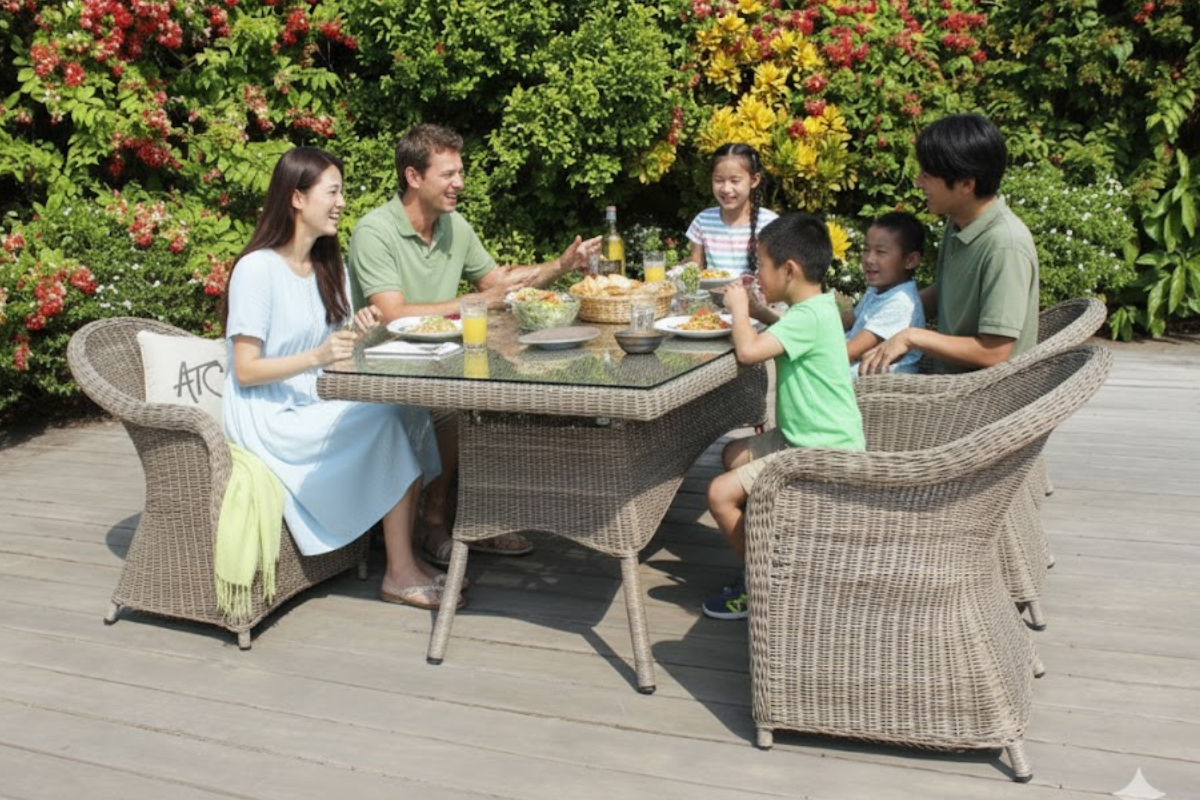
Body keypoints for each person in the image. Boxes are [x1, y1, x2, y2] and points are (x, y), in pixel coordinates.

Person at [347, 123, 601, 566]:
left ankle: (475, 516)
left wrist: (560, 265)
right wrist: (470, 302)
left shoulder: (453, 226)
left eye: (460, 172)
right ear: (413, 177)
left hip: (445, 360)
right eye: (448, 174)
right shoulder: (376, 231)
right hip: (385, 370)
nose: (459, 183)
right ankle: (437, 520)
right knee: (460, 414)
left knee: (506, 402)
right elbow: (390, 313)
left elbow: (498, 285)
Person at [221, 146, 456, 611]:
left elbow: (334, 349)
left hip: (314, 397)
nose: (342, 202)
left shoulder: (326, 266)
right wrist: (317, 355)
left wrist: (357, 332)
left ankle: (404, 551)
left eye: (341, 192)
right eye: (332, 191)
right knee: (386, 422)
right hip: (269, 415)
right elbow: (246, 371)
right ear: (296, 198)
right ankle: (398, 572)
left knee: (405, 410)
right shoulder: (257, 269)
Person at [702, 213, 865, 621]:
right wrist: (759, 308)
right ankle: (774, 538)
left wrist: (740, 309)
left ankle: (762, 582)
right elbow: (788, 330)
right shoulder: (817, 307)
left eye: (761, 266)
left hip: (817, 451)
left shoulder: (806, 317)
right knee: (734, 454)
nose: (757, 274)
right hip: (806, 436)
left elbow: (749, 352)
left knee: (719, 494)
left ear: (789, 270)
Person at [858, 113, 1039, 375]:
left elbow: (995, 352)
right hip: (947, 380)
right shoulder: (959, 224)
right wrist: (878, 315)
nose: (918, 182)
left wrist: (911, 337)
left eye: (927, 175)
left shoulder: (1005, 245)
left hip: (979, 394)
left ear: (966, 184)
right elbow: (945, 292)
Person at [842, 211, 926, 377]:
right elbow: (848, 320)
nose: (869, 259)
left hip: (874, 391)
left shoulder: (900, 303)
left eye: (880, 252)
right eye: (866, 250)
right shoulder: (879, 289)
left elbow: (849, 352)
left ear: (910, 260)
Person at [686, 143, 779, 276]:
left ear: (754, 180)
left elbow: (777, 277)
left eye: (735, 181)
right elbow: (695, 272)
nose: (726, 189)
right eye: (718, 180)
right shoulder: (703, 221)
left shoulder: (771, 224)